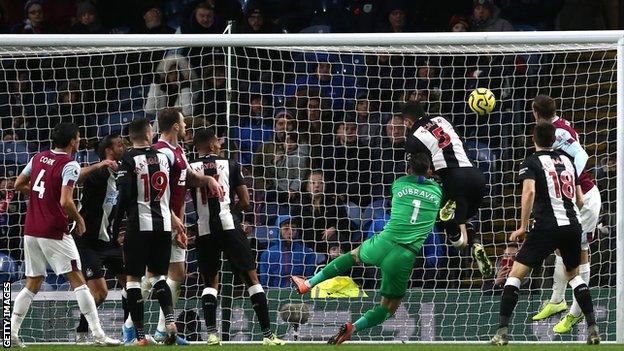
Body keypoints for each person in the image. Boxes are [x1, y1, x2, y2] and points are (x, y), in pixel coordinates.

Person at [291, 153, 442, 345]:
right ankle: (353, 328)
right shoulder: (437, 192)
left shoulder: (399, 184)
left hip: (384, 241)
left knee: (352, 255)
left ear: (408, 170)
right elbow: (432, 183)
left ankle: (308, 284)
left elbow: (417, 180)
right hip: (404, 254)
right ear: (429, 170)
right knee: (389, 307)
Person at [490, 122, 600, 345]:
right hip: (572, 225)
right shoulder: (568, 161)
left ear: (533, 138)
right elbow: (579, 199)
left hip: (546, 226)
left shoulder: (531, 162)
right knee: (575, 276)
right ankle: (593, 329)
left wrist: (522, 227)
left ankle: (501, 332)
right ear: (554, 139)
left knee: (515, 275)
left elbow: (529, 191)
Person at [10, 123, 119, 347]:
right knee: (79, 281)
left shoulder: (38, 158)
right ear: (72, 141)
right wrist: (79, 220)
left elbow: (18, 184)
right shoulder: (68, 164)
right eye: (79, 138)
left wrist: (42, 194)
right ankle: (98, 335)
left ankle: (10, 331)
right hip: (54, 231)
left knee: (33, 282)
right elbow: (65, 201)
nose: (80, 141)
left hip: (31, 230)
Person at [188, 128, 285, 345]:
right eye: (218, 143)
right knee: (251, 277)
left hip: (204, 228)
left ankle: (212, 334)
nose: (220, 146)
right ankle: (268, 335)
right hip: (228, 224)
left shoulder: (190, 168)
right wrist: (235, 213)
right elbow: (246, 200)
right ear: (212, 145)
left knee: (210, 282)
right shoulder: (230, 164)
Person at [146, 108, 223, 344]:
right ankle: (132, 326)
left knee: (177, 274)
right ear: (176, 127)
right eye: (183, 122)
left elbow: (188, 179)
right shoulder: (159, 152)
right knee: (151, 275)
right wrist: (172, 217)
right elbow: (154, 192)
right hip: (159, 219)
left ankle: (162, 331)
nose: (187, 126)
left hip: (175, 220)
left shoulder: (178, 151)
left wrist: (208, 179)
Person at [530, 95, 603, 333]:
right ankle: (556, 301)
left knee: (580, 253)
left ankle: (575, 313)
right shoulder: (558, 127)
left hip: (585, 198)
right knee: (562, 247)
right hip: (573, 198)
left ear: (535, 113)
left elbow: (582, 156)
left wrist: (570, 174)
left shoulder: (559, 132)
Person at [402, 101, 492, 277]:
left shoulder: (413, 139)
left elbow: (420, 170)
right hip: (476, 177)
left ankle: (448, 221)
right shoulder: (442, 119)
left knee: (455, 239)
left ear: (407, 121)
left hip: (452, 180)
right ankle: (476, 242)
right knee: (465, 227)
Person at [112, 118, 181, 346]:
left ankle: (140, 336)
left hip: (138, 224)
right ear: (148, 133)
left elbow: (123, 196)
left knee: (133, 279)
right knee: (159, 276)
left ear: (131, 136)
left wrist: (116, 225)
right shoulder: (164, 157)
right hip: (163, 225)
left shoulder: (128, 159)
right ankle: (170, 320)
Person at [73, 134, 128, 343]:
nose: (124, 147)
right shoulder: (98, 174)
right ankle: (82, 332)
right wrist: (99, 165)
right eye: (119, 145)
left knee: (132, 286)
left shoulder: (123, 174)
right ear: (108, 151)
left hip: (110, 242)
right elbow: (76, 176)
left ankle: (130, 332)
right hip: (87, 242)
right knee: (101, 293)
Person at [145, 54, 196, 121]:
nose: (174, 76)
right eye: (171, 73)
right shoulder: (161, 90)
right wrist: (155, 85)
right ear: (166, 75)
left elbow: (188, 112)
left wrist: (185, 86)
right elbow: (149, 110)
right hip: (161, 128)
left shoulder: (188, 91)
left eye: (177, 73)